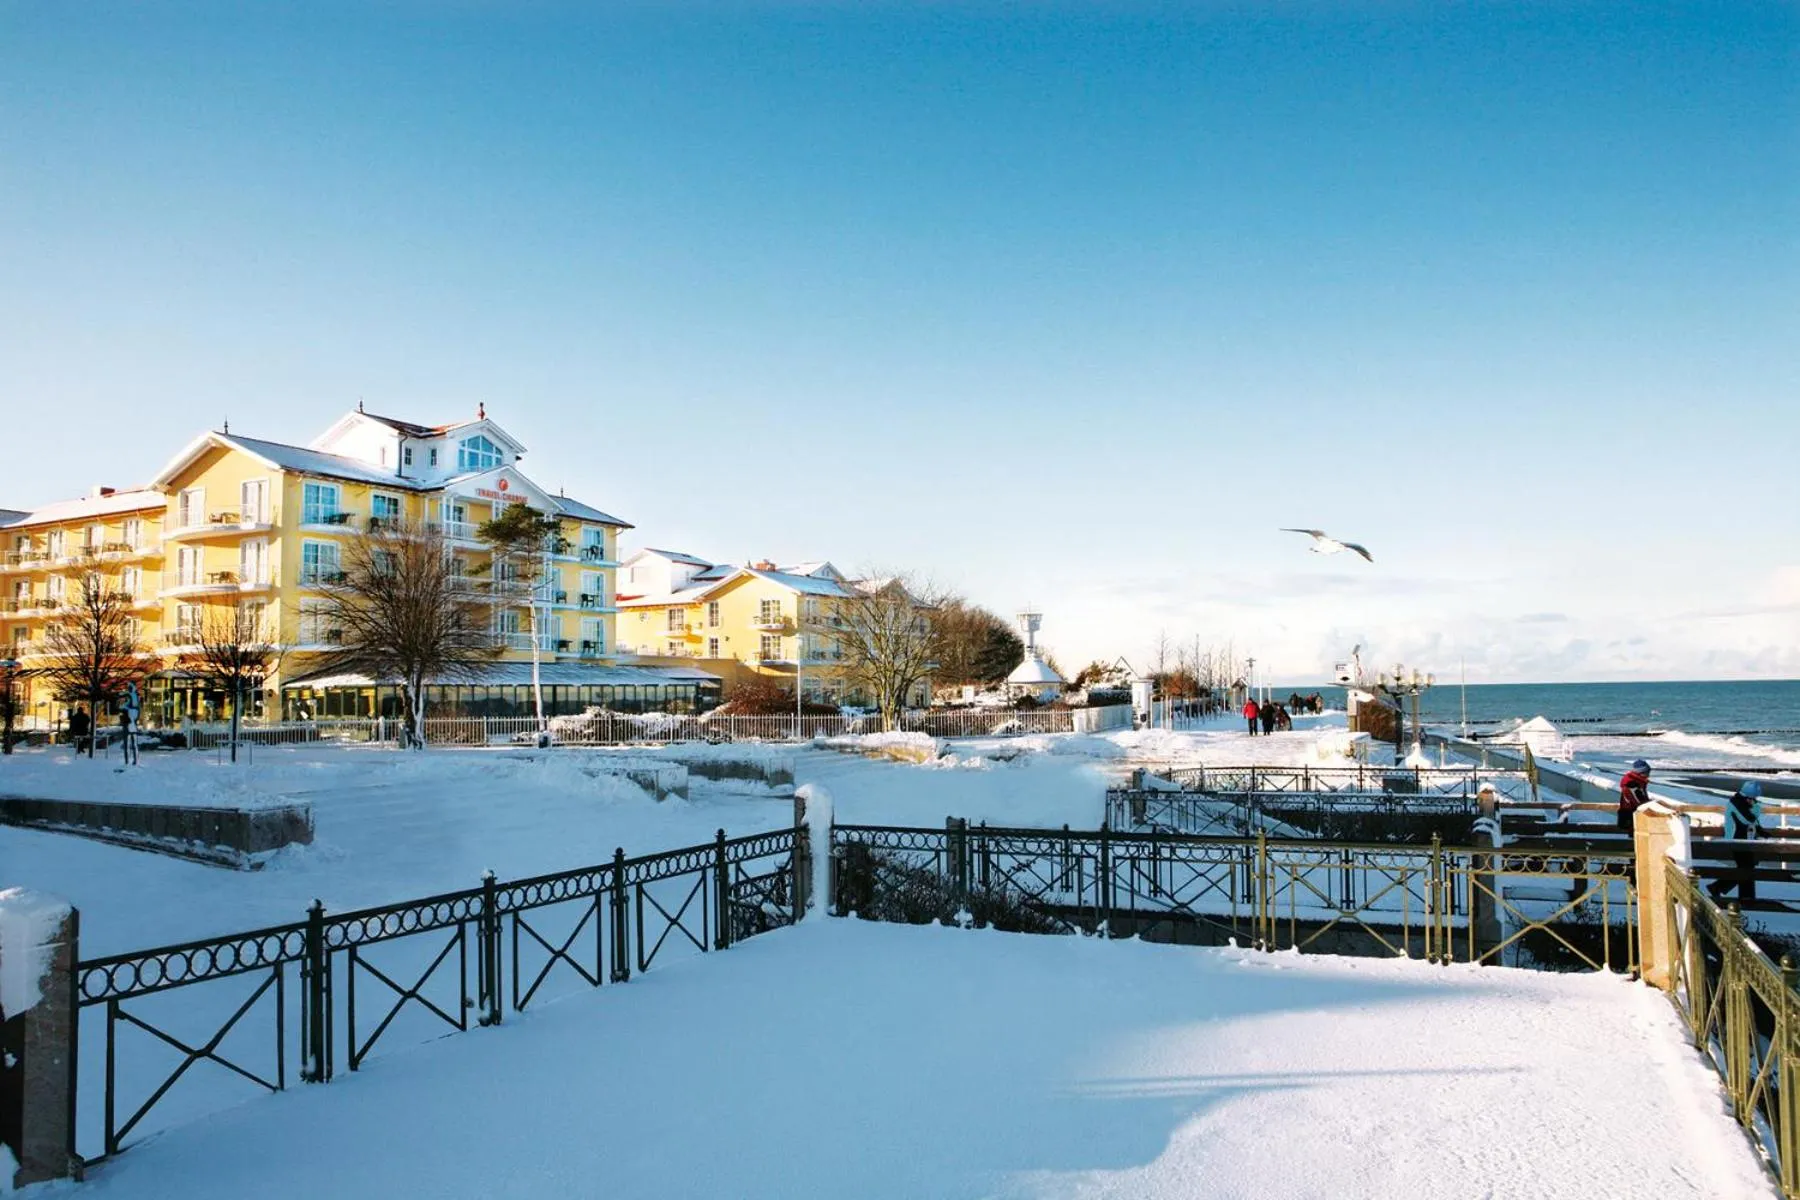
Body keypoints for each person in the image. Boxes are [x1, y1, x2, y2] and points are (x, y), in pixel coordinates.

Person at [1710, 781, 1763, 904]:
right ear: (1748, 795)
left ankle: (1743, 896)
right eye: (1754, 797)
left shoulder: (1743, 803)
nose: (1755, 800)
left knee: (1747, 868)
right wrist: (1756, 807)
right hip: (1736, 840)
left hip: (1746, 840)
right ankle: (1742, 896)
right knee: (1746, 869)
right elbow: (1748, 819)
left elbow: (1753, 823)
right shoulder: (1735, 803)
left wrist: (1761, 831)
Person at [1617, 758, 1651, 833]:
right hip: (1631, 817)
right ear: (1641, 772)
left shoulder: (1638, 782)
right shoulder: (1631, 784)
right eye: (1647, 772)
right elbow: (1640, 803)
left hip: (1633, 816)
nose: (1649, 775)